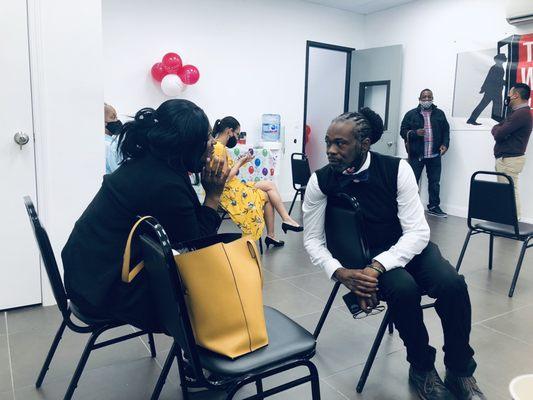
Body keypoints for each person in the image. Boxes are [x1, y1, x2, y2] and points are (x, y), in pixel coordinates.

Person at [303, 108, 485, 400]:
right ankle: (422, 368)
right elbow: (312, 239)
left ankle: (460, 369)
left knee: (453, 284)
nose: (331, 151)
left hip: (409, 247)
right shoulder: (321, 181)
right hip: (366, 254)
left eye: (341, 143)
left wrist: (379, 266)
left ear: (365, 144)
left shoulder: (397, 169)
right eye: (328, 143)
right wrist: (338, 271)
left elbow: (417, 232)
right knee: (403, 289)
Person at [62, 99, 229, 331]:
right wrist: (213, 196)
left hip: (85, 275)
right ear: (187, 146)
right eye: (206, 138)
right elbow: (194, 248)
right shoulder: (165, 184)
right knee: (209, 294)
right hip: (102, 291)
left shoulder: (147, 162)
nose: (212, 144)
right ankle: (206, 358)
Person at [212, 116, 302, 249]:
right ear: (229, 131)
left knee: (270, 186)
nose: (237, 137)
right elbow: (227, 177)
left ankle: (281, 225)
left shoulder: (219, 146)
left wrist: (242, 162)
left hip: (234, 185)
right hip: (228, 191)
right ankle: (278, 228)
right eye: (237, 134)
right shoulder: (219, 148)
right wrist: (240, 162)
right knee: (267, 195)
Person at [400, 89, 450, 218]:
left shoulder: (439, 114)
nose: (427, 99)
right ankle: (410, 208)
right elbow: (402, 131)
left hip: (434, 155)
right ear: (419, 99)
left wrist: (445, 145)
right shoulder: (411, 114)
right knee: (412, 182)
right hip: (417, 156)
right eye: (424, 97)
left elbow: (446, 131)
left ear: (432, 98)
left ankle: (434, 207)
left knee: (434, 182)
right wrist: (415, 133)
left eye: (429, 97)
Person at [491, 83, 532, 219]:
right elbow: (499, 128)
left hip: (509, 160)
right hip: (507, 159)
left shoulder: (521, 114)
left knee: (509, 191)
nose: (507, 96)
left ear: (516, 95)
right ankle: (509, 221)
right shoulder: (517, 113)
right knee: (506, 191)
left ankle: (513, 222)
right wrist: (499, 128)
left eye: (509, 94)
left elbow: (498, 133)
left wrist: (498, 129)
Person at [467, 54, 507, 126]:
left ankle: (471, 119)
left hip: (492, 90)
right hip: (494, 91)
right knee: (497, 106)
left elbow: (488, 78)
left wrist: (483, 88)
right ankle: (472, 120)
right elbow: (495, 79)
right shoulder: (497, 67)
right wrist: (506, 82)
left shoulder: (496, 67)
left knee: (486, 105)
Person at [104, 103, 123, 174]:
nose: (117, 120)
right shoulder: (109, 146)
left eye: (116, 117)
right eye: (113, 117)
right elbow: (120, 173)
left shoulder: (111, 142)